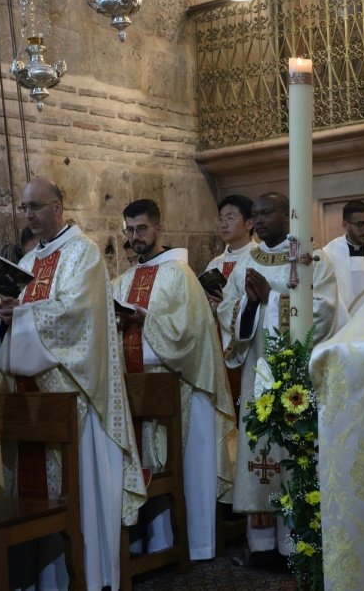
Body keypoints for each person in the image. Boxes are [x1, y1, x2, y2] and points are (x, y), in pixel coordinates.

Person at [0, 176, 144, 590]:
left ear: (59, 206)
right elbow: (13, 313)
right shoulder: (24, 264)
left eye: (37, 206)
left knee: (77, 492)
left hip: (75, 396)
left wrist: (21, 316)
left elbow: (77, 316)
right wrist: (3, 317)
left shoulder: (83, 254)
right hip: (31, 397)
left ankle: (87, 576)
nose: (29, 215)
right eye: (24, 208)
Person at [111, 199, 236, 561]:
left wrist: (143, 319)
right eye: (130, 230)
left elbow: (188, 336)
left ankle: (194, 544)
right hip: (135, 388)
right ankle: (147, 542)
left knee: (184, 466)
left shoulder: (180, 275)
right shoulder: (122, 280)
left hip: (181, 386)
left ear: (159, 229)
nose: (135, 237)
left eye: (142, 229)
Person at [217, 192, 341, 555]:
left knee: (293, 451)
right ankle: (261, 545)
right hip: (257, 372)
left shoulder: (312, 259)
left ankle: (296, 545)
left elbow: (322, 312)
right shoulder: (248, 260)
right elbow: (228, 307)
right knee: (260, 451)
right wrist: (249, 304)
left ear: (288, 215)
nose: (259, 220)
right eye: (255, 214)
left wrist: (271, 298)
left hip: (297, 376)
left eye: (266, 212)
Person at [203, 194, 257, 308]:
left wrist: (226, 305)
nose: (223, 224)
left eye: (230, 218)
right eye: (221, 219)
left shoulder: (258, 260)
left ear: (249, 223)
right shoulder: (215, 264)